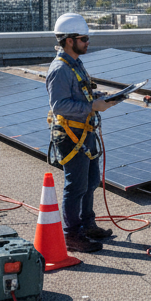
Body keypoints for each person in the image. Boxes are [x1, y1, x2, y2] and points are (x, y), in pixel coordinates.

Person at [46, 14, 120, 253]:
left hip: (85, 133)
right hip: (71, 136)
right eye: (83, 38)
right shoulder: (60, 69)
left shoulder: (76, 63)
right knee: (75, 186)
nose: (88, 42)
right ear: (69, 41)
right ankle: (72, 235)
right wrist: (91, 107)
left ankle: (87, 225)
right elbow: (58, 105)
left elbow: (80, 94)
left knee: (90, 183)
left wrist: (100, 99)